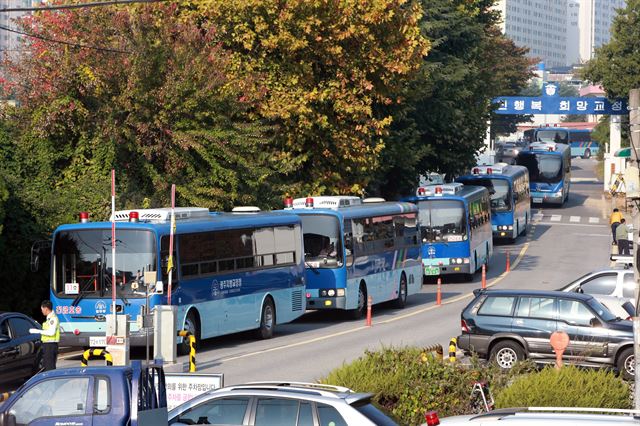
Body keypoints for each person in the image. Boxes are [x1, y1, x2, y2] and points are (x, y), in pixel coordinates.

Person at [29, 300, 60, 371]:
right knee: (45, 367)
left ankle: (52, 382)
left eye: (42, 309)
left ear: (46, 308)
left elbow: (51, 332)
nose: (42, 311)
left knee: (49, 367)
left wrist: (37, 331)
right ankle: (48, 381)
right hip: (47, 345)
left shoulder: (53, 319)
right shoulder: (49, 319)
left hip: (50, 345)